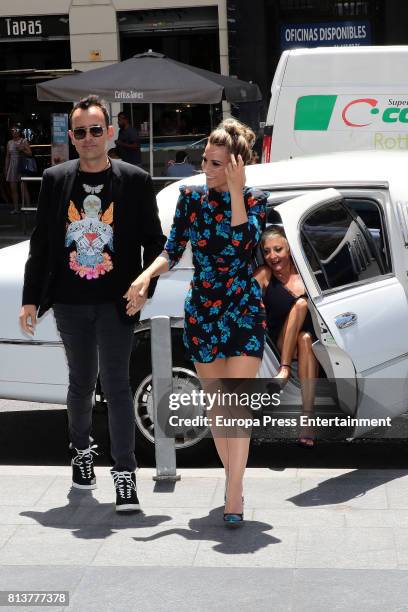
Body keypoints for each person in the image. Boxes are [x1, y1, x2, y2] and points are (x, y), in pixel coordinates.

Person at [19, 95, 166, 512]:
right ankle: (81, 451)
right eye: (80, 131)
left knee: (117, 386)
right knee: (82, 383)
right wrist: (30, 299)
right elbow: (42, 245)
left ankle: (124, 475)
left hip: (117, 301)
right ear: (71, 136)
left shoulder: (134, 180)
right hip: (69, 302)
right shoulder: (54, 179)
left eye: (95, 130)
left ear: (111, 133)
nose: (88, 138)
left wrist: (144, 283)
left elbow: (156, 243)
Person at [125, 118, 267, 526]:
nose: (205, 167)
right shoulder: (190, 199)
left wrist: (238, 191)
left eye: (217, 162)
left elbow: (244, 244)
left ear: (237, 166)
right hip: (204, 310)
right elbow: (172, 250)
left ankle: (234, 492)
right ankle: (232, 478)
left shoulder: (256, 200)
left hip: (242, 308)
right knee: (219, 409)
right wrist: (146, 274)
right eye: (205, 159)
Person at [254, 226, 319, 447]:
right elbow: (244, 292)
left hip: (306, 346)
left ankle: (307, 419)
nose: (272, 256)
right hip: (276, 345)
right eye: (267, 251)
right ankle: (284, 368)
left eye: (278, 249)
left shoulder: (305, 276)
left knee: (306, 340)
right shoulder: (265, 273)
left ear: (289, 248)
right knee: (300, 304)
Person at [5, 125, 32, 213]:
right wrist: (6, 168)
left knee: (24, 188)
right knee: (13, 189)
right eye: (13, 131)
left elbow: (30, 153)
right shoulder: (9, 142)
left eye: (16, 130)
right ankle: (16, 208)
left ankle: (27, 208)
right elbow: (7, 157)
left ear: (19, 132)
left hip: (21, 165)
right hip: (12, 166)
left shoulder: (24, 141)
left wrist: (22, 149)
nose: (15, 132)